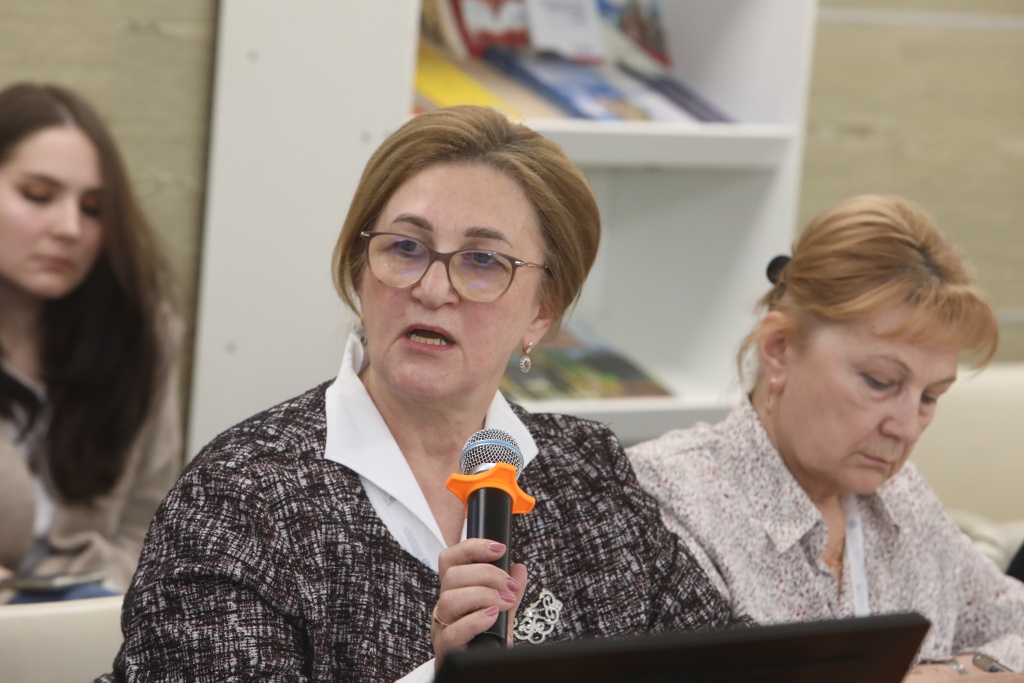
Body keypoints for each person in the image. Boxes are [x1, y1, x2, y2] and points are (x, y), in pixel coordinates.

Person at [100, 105, 741, 683]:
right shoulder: (242, 494)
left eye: (483, 261)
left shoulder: (588, 471)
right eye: (406, 248)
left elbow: (730, 664)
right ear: (360, 270)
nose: (433, 289)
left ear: (542, 311)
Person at [629, 194, 1024, 676]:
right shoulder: (664, 500)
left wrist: (951, 672)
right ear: (779, 349)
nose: (906, 427)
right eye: (879, 381)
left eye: (930, 396)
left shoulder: (902, 498)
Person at [0, 82, 184, 603]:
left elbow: (148, 528)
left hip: (92, 619)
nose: (69, 228)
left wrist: (90, 604)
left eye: (94, 208)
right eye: (38, 196)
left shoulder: (140, 335)